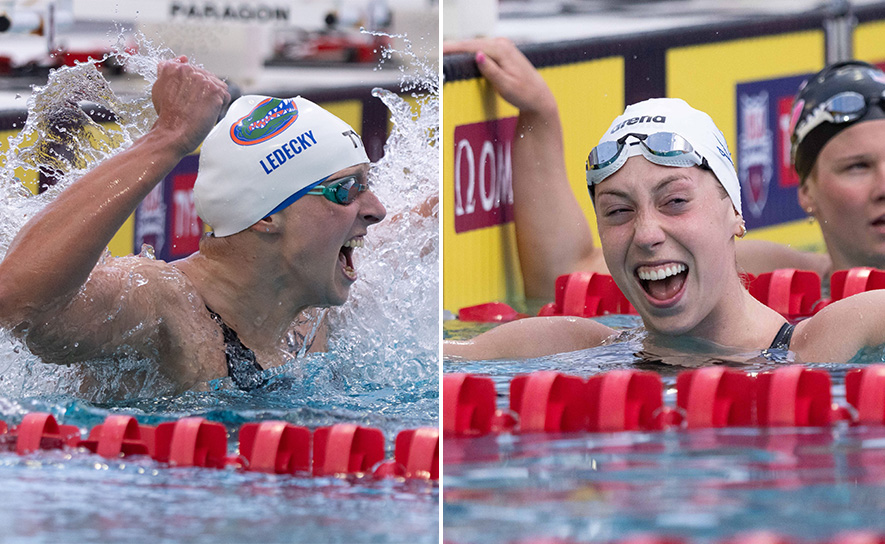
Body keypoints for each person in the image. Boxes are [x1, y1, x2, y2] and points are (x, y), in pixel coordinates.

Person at [0, 57, 387, 393]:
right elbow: (19, 304)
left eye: (367, 184)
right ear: (266, 215)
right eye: (347, 189)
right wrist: (167, 137)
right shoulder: (161, 309)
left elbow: (411, 232)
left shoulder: (312, 310)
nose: (376, 209)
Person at [444, 97, 885, 363]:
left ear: (734, 211)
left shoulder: (831, 340)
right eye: (618, 212)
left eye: (674, 202)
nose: (647, 234)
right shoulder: (567, 346)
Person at [444, 39, 885, 300]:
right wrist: (539, 115)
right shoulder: (762, 276)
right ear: (805, 189)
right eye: (858, 167)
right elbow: (564, 284)